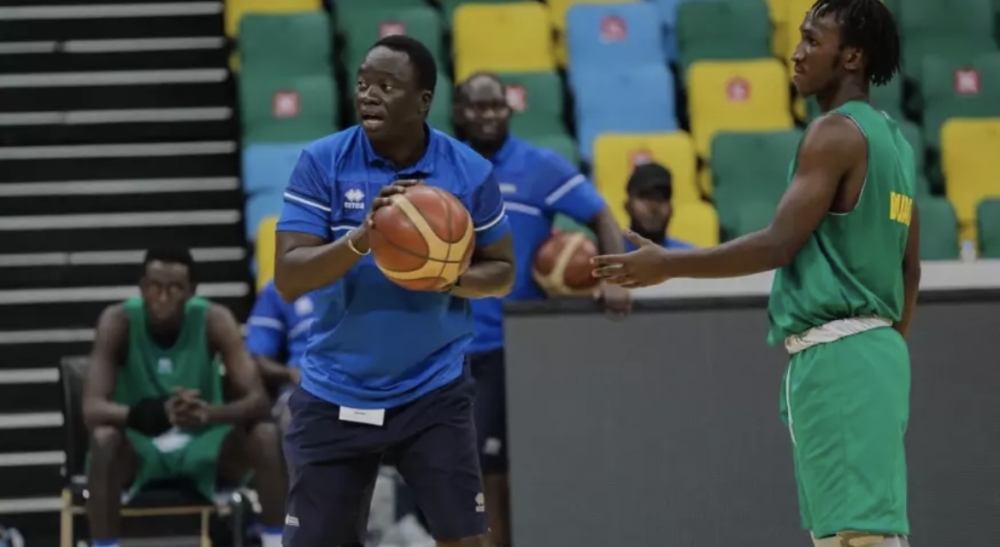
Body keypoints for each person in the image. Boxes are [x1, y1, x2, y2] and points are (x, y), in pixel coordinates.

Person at [593, 1, 919, 546]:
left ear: (853, 57)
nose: (796, 53)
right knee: (855, 535)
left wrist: (666, 264)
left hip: (839, 357)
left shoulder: (833, 134)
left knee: (857, 539)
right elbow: (909, 270)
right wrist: (880, 357)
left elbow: (778, 243)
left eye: (813, 41)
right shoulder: (895, 140)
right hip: (874, 356)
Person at [274, 35, 515, 547]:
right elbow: (290, 277)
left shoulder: (468, 171)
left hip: (432, 388)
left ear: (423, 100)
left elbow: (502, 273)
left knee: (468, 540)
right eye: (363, 84)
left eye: (387, 85)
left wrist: (446, 275)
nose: (369, 95)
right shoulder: (322, 163)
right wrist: (364, 238)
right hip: (336, 388)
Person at [452, 72, 631, 547]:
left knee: (508, 469)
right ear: (457, 113)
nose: (488, 115)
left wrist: (612, 276)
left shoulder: (540, 167)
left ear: (510, 112)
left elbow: (601, 215)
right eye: (477, 106)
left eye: (496, 106)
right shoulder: (442, 169)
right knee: (466, 471)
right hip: (450, 344)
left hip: (515, 347)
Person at [82, 248, 287, 547]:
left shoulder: (215, 320)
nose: (163, 297)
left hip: (204, 443)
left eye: (174, 288)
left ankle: (276, 541)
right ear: (141, 288)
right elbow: (91, 409)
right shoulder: (118, 321)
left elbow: (257, 401)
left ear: (192, 292)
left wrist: (209, 414)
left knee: (266, 435)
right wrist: (153, 414)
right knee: (103, 440)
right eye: (154, 287)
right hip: (141, 446)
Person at [245, 280, 315, 431]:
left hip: (364, 384)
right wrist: (291, 374)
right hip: (304, 387)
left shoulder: (369, 276)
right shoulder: (279, 288)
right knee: (296, 417)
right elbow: (257, 358)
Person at [624, 162, 696, 251]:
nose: (654, 207)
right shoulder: (610, 252)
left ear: (671, 208)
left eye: (662, 198)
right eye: (646, 197)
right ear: (627, 206)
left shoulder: (687, 257)